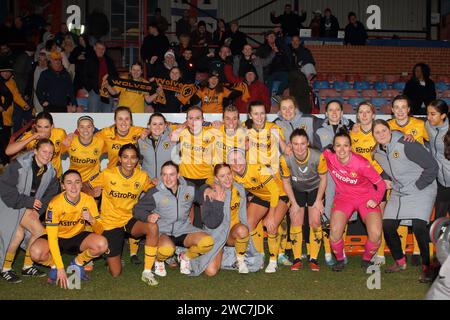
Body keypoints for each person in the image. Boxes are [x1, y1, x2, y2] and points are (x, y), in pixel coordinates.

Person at [373, 120, 438, 282]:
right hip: (399, 191)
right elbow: (391, 168)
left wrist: (418, 185)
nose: (381, 134)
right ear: (373, 136)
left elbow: (432, 166)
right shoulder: (378, 153)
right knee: (387, 225)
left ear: (390, 130)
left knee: (419, 226)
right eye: (377, 132)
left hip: (422, 187)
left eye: (383, 130)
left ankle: (427, 267)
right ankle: (400, 261)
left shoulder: (407, 143)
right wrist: (386, 179)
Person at [88, 144, 159, 285]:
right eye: (125, 157)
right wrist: (92, 192)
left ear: (137, 160)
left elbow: (154, 192)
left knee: (152, 227)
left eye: (133, 158)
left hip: (129, 219)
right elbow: (86, 185)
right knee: (116, 273)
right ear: (119, 159)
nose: (129, 161)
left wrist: (159, 185)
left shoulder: (142, 176)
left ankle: (147, 271)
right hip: (110, 223)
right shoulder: (108, 174)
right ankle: (109, 253)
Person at [317, 130, 387, 271]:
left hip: (365, 197)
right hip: (344, 197)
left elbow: (381, 184)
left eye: (345, 145)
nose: (342, 149)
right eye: (338, 146)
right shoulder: (328, 156)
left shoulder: (361, 163)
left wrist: (376, 199)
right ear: (334, 147)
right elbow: (310, 152)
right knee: (334, 232)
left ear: (350, 147)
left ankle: (366, 259)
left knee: (376, 233)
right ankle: (341, 260)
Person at [133, 161, 214, 276]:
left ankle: (184, 257)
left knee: (207, 242)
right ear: (161, 176)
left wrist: (207, 188)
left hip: (183, 229)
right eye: (164, 174)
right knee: (166, 250)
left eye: (171, 174)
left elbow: (202, 193)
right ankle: (159, 260)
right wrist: (148, 216)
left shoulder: (189, 188)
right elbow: (137, 209)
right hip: (163, 231)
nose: (168, 178)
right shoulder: (155, 192)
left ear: (178, 175)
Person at [29, 169, 107, 288]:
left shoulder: (89, 200)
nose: (74, 186)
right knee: (35, 252)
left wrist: (92, 220)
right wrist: (60, 268)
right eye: (69, 182)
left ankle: (77, 263)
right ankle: (53, 266)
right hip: (57, 238)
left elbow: (100, 231)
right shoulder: (55, 204)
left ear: (81, 184)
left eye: (77, 182)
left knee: (102, 244)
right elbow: (53, 238)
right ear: (63, 186)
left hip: (77, 237)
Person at [0, 139, 59, 283]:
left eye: (50, 153)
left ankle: (27, 266)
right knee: (18, 234)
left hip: (26, 207)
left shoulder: (50, 171)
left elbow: (50, 194)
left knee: (34, 232)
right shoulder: (19, 165)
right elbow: (5, 190)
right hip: (8, 205)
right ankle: (5, 269)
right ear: (35, 151)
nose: (47, 155)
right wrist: (29, 202)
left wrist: (37, 210)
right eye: (44, 151)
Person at [190, 164, 264, 276]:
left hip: (232, 234)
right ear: (216, 178)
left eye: (229, 174)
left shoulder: (239, 189)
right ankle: (218, 253)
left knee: (242, 230)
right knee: (211, 271)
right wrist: (208, 190)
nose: (227, 178)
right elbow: (209, 222)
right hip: (217, 235)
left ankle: (240, 261)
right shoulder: (211, 192)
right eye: (222, 176)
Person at [227, 148, 290, 273]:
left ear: (245, 159)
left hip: (280, 195)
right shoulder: (232, 175)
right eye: (232, 161)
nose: (237, 163)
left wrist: (271, 215)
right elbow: (215, 178)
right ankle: (254, 257)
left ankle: (273, 261)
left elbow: (274, 191)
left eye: (239, 159)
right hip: (261, 196)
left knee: (270, 225)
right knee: (248, 225)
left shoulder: (259, 169)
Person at [388, 95, 430, 263]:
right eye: (396, 107)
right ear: (391, 110)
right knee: (400, 214)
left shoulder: (420, 125)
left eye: (403, 107)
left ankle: (418, 251)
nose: (399, 110)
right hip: (397, 176)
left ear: (409, 109)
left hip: (417, 176)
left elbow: (434, 142)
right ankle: (403, 249)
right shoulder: (388, 127)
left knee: (416, 215)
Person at [314, 100, 354, 266]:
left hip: (346, 176)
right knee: (328, 213)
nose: (334, 112)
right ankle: (329, 251)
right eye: (331, 110)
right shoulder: (319, 131)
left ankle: (341, 250)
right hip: (328, 176)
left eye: (337, 110)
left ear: (342, 112)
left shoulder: (351, 127)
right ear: (326, 113)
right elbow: (317, 154)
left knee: (343, 213)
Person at [350, 102, 387, 266]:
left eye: (367, 112)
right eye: (361, 112)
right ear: (357, 115)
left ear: (373, 114)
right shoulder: (353, 133)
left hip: (377, 179)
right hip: (360, 181)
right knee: (368, 218)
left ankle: (380, 254)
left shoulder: (379, 132)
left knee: (380, 217)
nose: (364, 115)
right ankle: (371, 249)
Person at [284, 129, 327, 271]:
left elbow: (323, 179)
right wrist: (294, 204)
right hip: (297, 189)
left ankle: (313, 258)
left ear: (308, 143)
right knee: (296, 219)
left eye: (303, 144)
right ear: (290, 144)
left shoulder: (318, 157)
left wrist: (319, 200)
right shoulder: (285, 159)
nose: (299, 148)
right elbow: (286, 182)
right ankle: (297, 258)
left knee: (314, 220)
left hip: (315, 189)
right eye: (295, 144)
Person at [6, 112, 67, 178]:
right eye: (39, 127)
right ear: (35, 126)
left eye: (46, 127)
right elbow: (8, 151)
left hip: (55, 176)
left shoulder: (60, 133)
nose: (42, 131)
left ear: (52, 126)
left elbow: (64, 151)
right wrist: (33, 137)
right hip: (35, 178)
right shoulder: (30, 136)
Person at [0, 59, 31, 165]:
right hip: (1, 117)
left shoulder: (11, 82)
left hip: (7, 119)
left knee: (5, 141)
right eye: (3, 71)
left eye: (8, 71)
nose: (6, 73)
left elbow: (16, 95)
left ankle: (4, 163)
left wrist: (24, 105)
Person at [425, 100, 450, 231]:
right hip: (440, 180)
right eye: (427, 113)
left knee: (439, 220)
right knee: (439, 220)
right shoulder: (428, 125)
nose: (429, 117)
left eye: (433, 114)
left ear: (443, 115)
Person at [64, 116, 104, 189]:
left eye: (88, 127)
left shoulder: (100, 142)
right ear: (78, 129)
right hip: (74, 182)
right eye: (82, 127)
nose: (85, 130)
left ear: (93, 128)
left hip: (92, 182)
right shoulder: (70, 141)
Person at [244, 101, 287, 169]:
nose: (259, 117)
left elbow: (285, 150)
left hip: (269, 170)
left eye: (262, 113)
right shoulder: (244, 127)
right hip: (251, 170)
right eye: (256, 114)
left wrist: (278, 137)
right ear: (250, 115)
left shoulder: (273, 127)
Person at [139, 113, 176, 183]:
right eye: (154, 124)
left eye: (161, 124)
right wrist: (148, 180)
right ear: (149, 126)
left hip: (168, 183)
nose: (157, 127)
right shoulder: (141, 141)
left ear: (165, 126)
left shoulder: (173, 139)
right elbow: (137, 165)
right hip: (147, 184)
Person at [84, 41, 118, 113]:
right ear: (94, 48)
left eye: (103, 49)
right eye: (99, 48)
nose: (101, 50)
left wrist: (110, 87)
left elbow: (115, 76)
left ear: (105, 50)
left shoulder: (109, 61)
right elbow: (84, 76)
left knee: (106, 116)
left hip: (107, 92)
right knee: (93, 116)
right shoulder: (89, 60)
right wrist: (91, 88)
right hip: (95, 92)